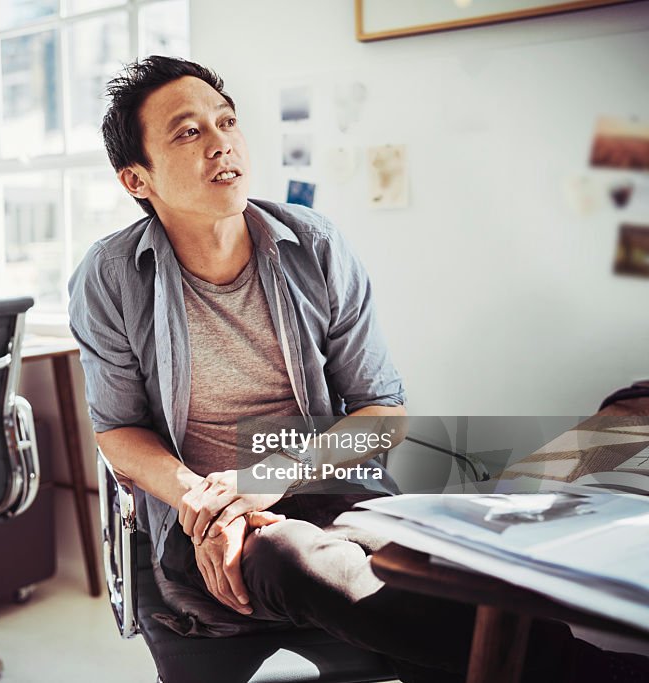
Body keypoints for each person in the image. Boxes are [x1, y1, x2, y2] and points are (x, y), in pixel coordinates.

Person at [67, 56, 643, 683]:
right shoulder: (111, 278)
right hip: (200, 509)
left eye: (227, 121)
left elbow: (382, 413)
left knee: (435, 584)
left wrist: (269, 477)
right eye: (188, 131)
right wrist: (207, 502)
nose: (221, 142)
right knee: (289, 556)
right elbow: (118, 431)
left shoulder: (314, 244)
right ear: (136, 179)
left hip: (328, 484)